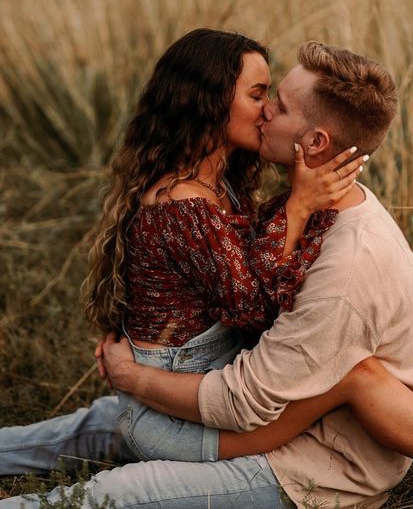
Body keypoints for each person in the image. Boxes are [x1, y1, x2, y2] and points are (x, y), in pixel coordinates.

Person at [1, 40, 413, 509]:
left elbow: (244, 398)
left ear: (316, 142)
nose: (267, 112)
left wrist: (134, 378)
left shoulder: (344, 267)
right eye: (260, 96)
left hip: (317, 462)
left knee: (122, 491)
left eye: (279, 104)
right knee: (108, 425)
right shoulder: (318, 208)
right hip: (270, 408)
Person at [82, 27, 361, 463]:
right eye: (257, 95)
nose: (268, 110)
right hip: (175, 410)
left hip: (189, 380)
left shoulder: (216, 183)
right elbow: (253, 308)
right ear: (210, 102)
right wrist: (300, 207)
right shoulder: (183, 205)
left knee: (79, 431)